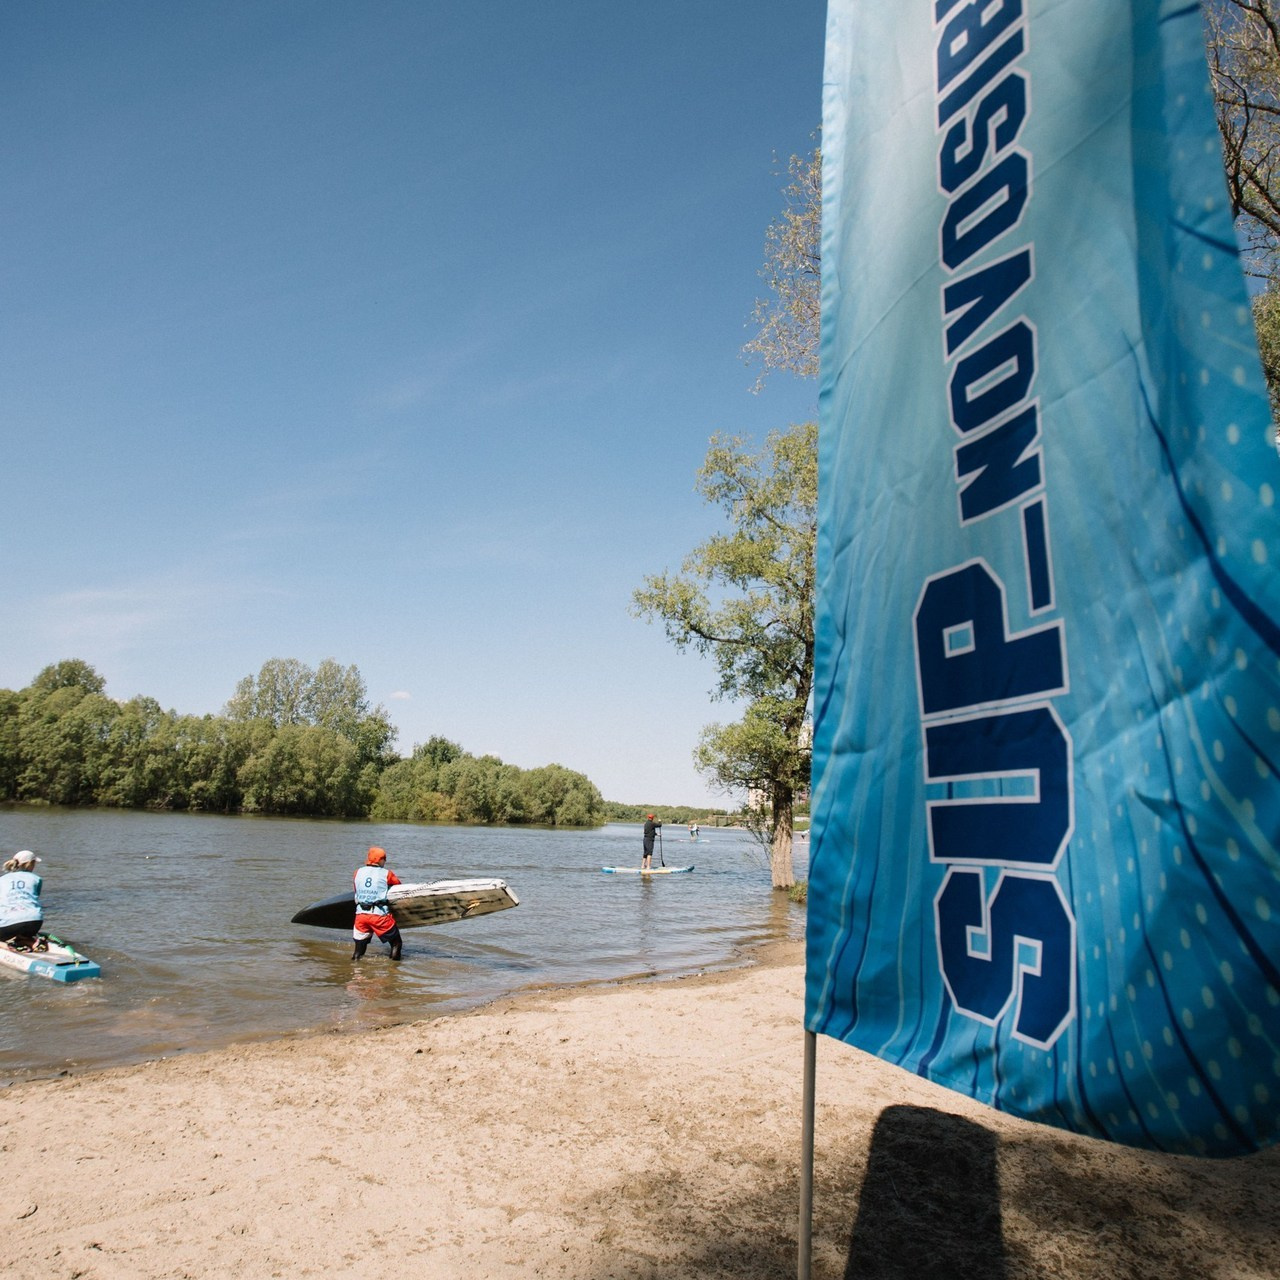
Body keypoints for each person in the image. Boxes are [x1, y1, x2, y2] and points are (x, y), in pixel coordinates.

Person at [352, 846, 403, 961]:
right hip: (379, 917)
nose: (385, 861)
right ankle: (393, 973)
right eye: (384, 859)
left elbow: (356, 891)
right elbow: (399, 887)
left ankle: (355, 971)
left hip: (360, 916)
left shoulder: (357, 872)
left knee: (358, 951)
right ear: (380, 860)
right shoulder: (387, 874)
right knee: (396, 943)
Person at [0, 850, 44, 949]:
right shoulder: (36, 878)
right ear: (30, 864)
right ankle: (30, 941)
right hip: (35, 922)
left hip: (11, 924)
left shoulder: (2, 880)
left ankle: (9, 946)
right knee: (21, 929)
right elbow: (34, 899)